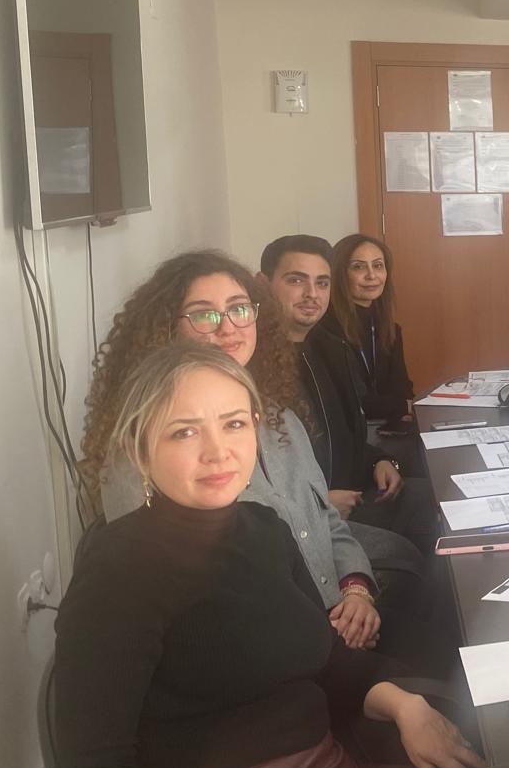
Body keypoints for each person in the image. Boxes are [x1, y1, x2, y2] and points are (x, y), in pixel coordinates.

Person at [55, 343, 490, 768]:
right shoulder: (117, 568)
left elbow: (325, 660)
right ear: (139, 449)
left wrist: (405, 705)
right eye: (184, 432)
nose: (217, 451)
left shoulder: (264, 528)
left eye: (234, 423)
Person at [82, 250, 423, 653]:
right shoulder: (141, 449)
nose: (228, 327)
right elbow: (172, 601)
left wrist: (356, 591)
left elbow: (327, 521)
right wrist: (323, 641)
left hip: (329, 623)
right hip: (259, 649)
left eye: (239, 309)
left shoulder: (280, 419)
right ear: (166, 329)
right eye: (204, 314)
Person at [262, 235, 441, 553]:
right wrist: (319, 501)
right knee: (405, 553)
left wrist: (379, 460)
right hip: (310, 515)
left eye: (321, 283)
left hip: (353, 490)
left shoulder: (330, 351)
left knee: (437, 499)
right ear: (263, 284)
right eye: (296, 280)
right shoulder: (254, 364)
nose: (311, 294)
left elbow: (346, 434)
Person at [325, 234, 415, 433]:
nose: (372, 275)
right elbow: (351, 401)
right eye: (358, 267)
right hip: (347, 434)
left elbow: (402, 388)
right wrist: (401, 406)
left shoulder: (389, 328)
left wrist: (402, 407)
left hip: (389, 430)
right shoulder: (326, 331)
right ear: (340, 273)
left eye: (378, 265)